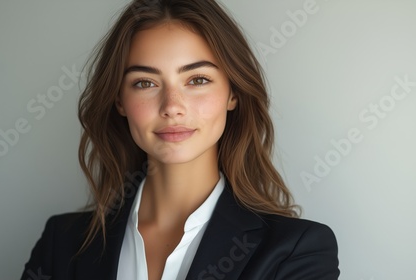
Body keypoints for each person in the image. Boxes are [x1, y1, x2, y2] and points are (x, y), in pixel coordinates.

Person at [21, 0, 340, 279]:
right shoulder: (61, 244)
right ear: (119, 100)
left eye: (198, 79)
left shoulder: (296, 250)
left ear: (233, 94)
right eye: (145, 83)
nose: (172, 106)